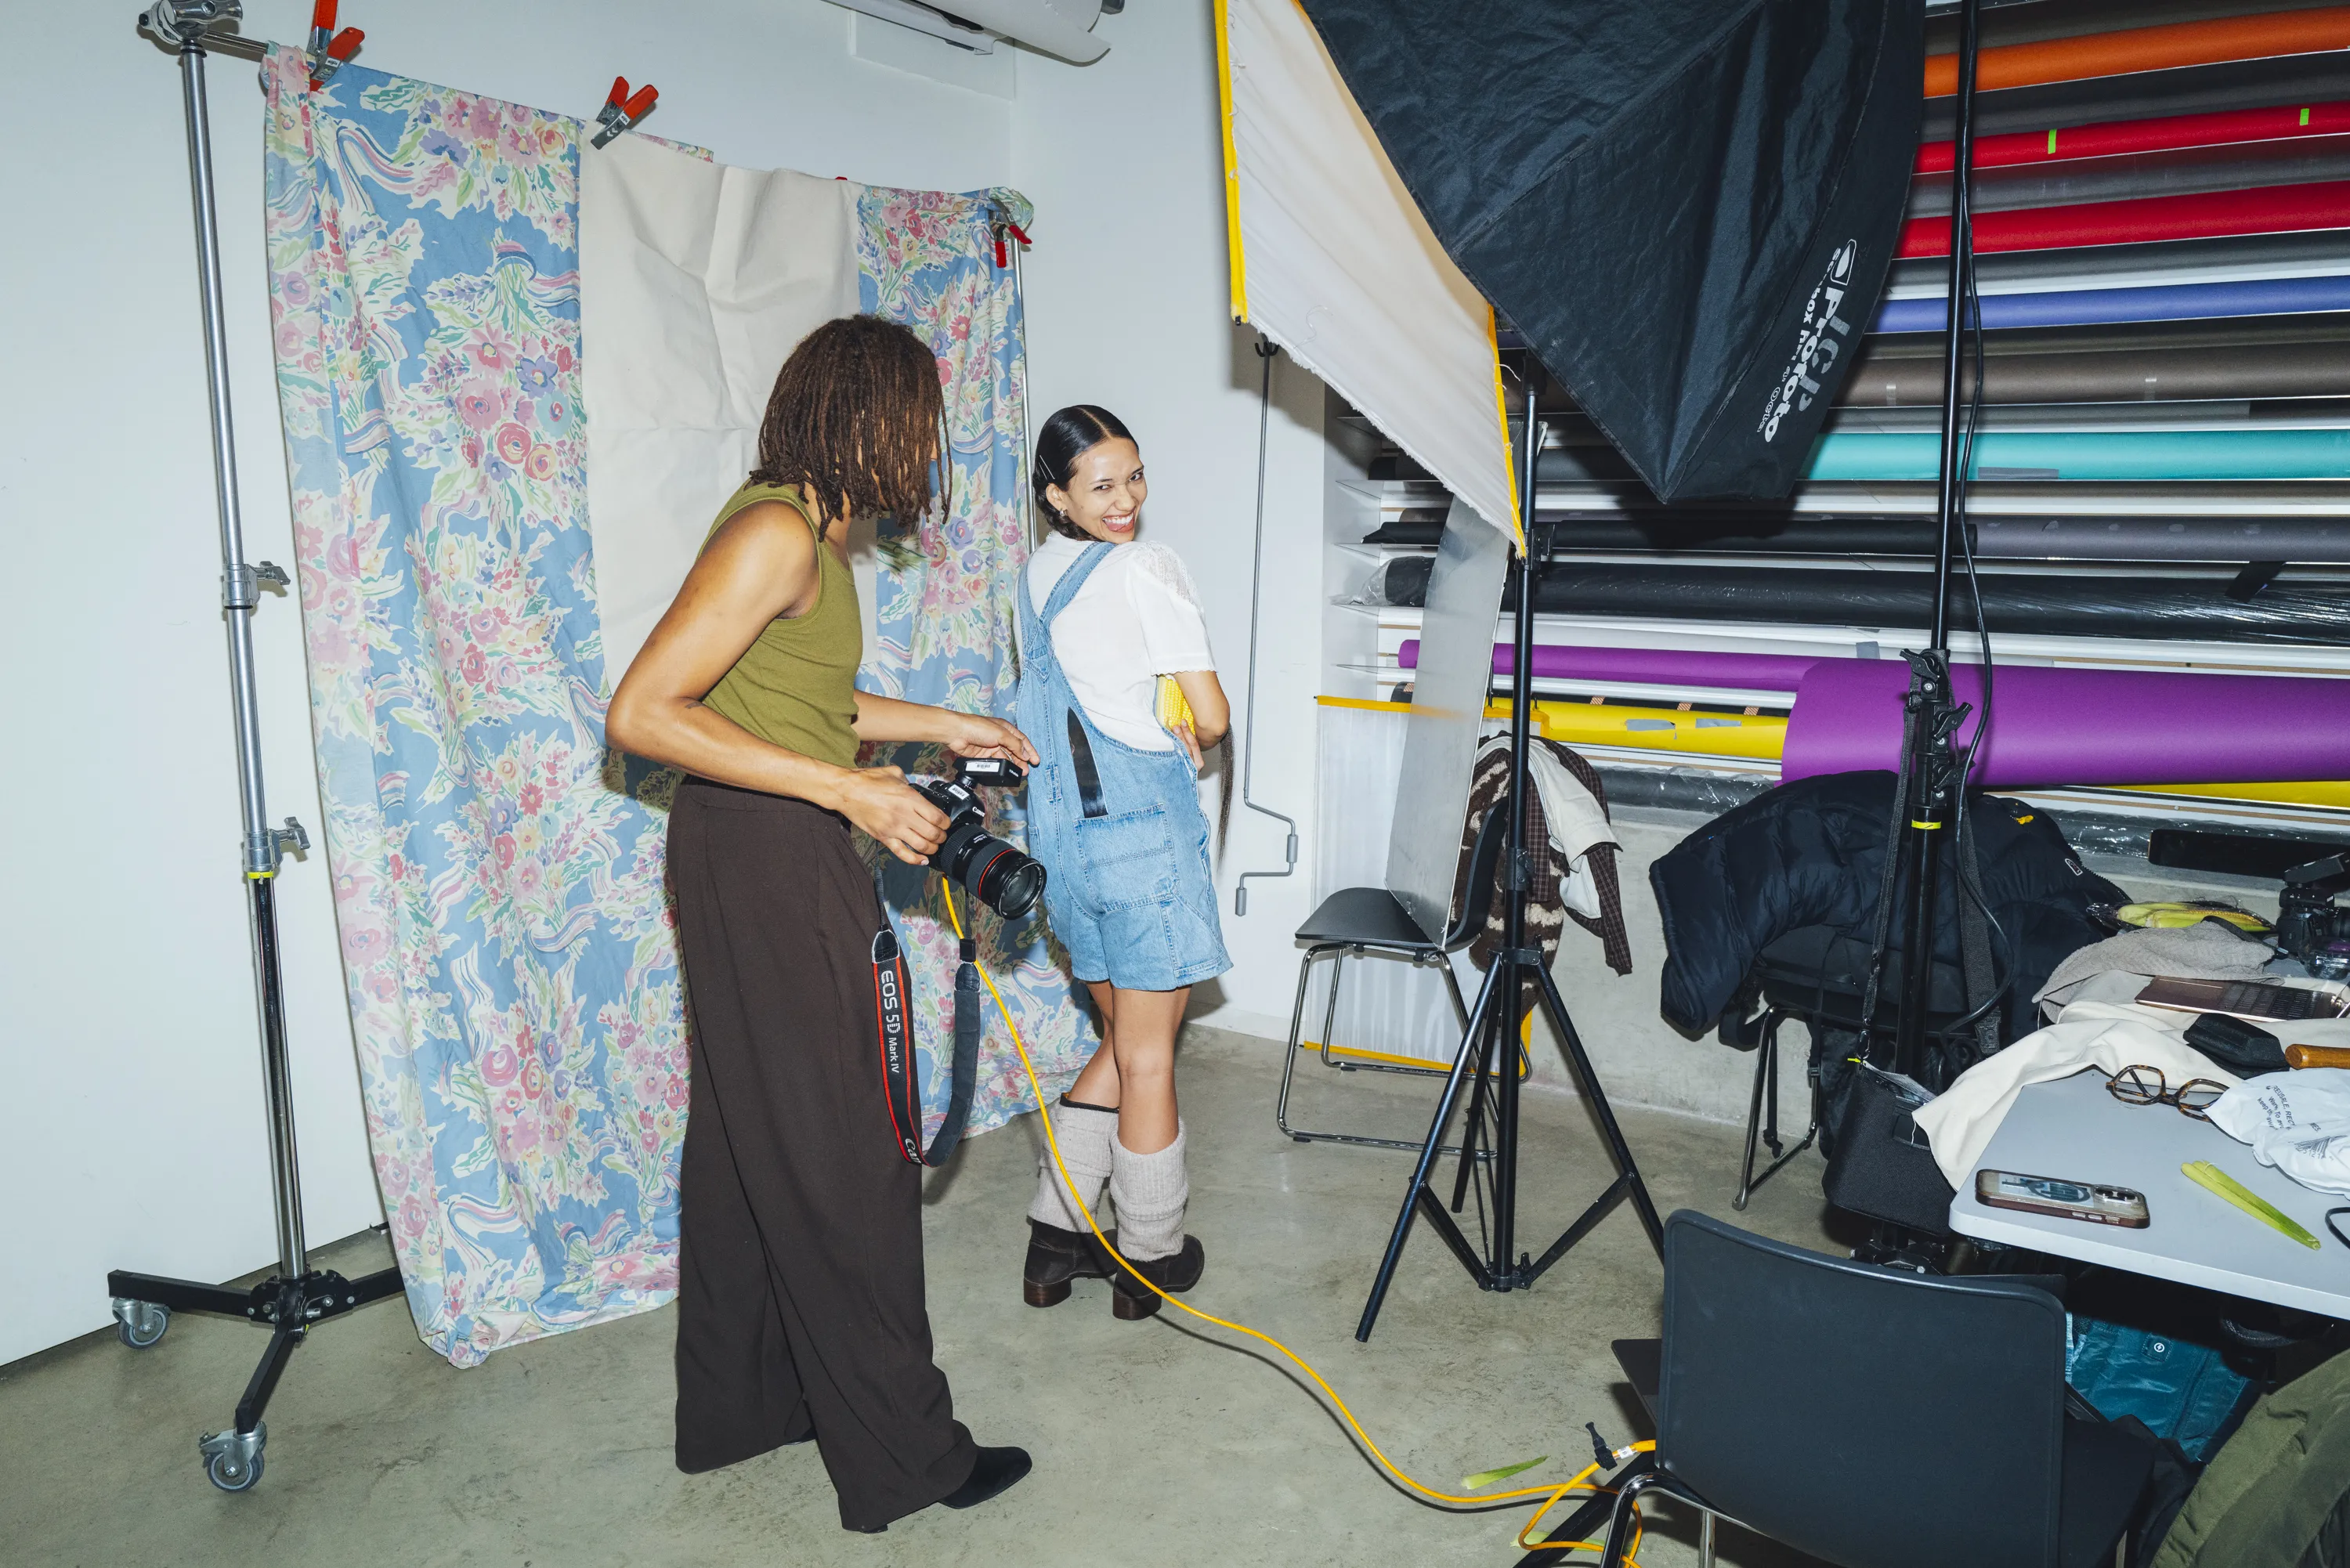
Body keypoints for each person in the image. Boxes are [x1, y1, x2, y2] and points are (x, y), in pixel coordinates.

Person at [606, 314, 1039, 1534]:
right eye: (919, 422)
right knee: (848, 1152)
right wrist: (852, 791)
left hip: (753, 844)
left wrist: (939, 725)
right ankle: (907, 1457)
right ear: (870, 417)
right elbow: (643, 710)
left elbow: (802, 700)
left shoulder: (804, 531)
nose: (928, 448)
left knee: (754, 1140)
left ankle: (749, 1404)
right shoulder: (774, 533)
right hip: (765, 854)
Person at [1012, 404, 1234, 1322]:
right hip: (1141, 838)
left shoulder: (1035, 575)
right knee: (1149, 1056)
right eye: (1101, 485)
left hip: (1064, 845)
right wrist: (1186, 716)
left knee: (1118, 1038)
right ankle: (1149, 1256)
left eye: (1134, 476)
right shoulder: (1148, 567)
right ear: (1057, 495)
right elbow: (1212, 715)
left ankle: (1055, 1240)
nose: (1127, 499)